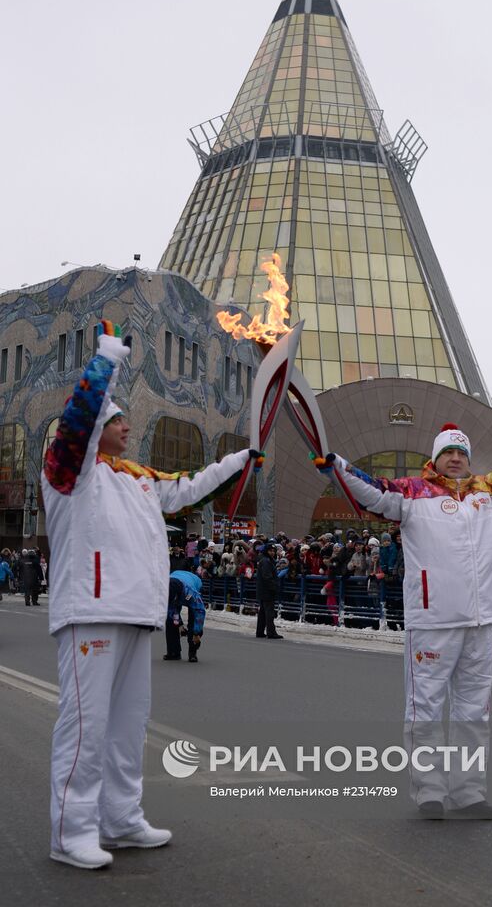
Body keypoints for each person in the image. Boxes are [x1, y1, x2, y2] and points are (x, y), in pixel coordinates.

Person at [42, 320, 258, 869]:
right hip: (89, 611)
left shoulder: (140, 479)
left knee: (126, 726)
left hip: (138, 613)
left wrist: (239, 461)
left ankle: (121, 818)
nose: (127, 428)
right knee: (86, 726)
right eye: (119, 421)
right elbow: (78, 425)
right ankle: (72, 831)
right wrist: (105, 366)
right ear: (97, 428)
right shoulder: (68, 475)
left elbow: (188, 487)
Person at [317, 396, 492, 818]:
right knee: (424, 706)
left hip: (480, 621)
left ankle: (468, 793)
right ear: (435, 458)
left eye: (461, 452)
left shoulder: (488, 492)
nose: (455, 459)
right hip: (433, 620)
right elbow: (370, 489)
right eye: (447, 452)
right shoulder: (411, 494)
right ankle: (429, 791)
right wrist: (337, 465)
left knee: (473, 711)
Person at [256, 540, 283, 639]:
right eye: (270, 550)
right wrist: (274, 587)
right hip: (267, 590)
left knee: (263, 612)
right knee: (269, 613)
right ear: (266, 551)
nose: (272, 552)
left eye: (273, 550)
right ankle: (271, 632)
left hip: (263, 590)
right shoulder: (266, 561)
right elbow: (267, 577)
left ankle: (260, 631)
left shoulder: (264, 560)